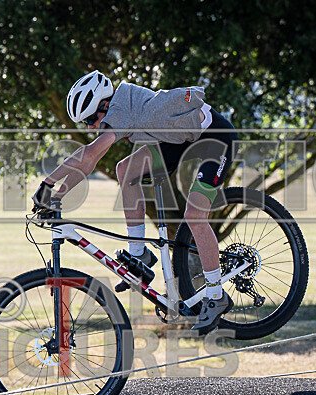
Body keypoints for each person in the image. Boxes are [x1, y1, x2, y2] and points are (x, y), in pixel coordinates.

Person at [32, 70, 236, 335]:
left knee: (195, 215)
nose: (92, 127)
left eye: (92, 119)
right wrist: (57, 196)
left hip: (215, 139)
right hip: (181, 140)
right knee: (126, 170)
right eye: (86, 123)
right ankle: (139, 254)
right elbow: (90, 161)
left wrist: (48, 183)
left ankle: (216, 295)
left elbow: (90, 153)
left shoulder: (119, 109)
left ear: (105, 105)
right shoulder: (119, 110)